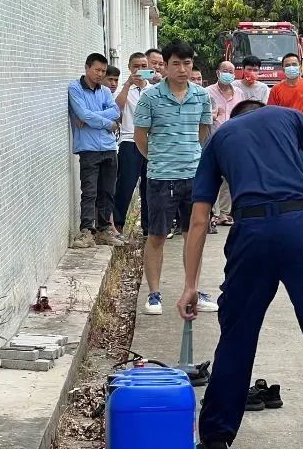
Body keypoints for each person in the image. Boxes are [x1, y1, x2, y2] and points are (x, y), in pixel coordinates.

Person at [180, 100, 303, 449]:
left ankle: (216, 440)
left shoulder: (220, 138)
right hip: (300, 228)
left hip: (250, 233)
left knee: (237, 337)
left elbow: (199, 219)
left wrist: (190, 284)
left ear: (236, 118)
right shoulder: (290, 117)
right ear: (261, 109)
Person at [133, 41, 215, 315]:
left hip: (194, 176)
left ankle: (192, 287)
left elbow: (203, 133)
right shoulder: (150, 97)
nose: (182, 69)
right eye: (176, 64)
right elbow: (140, 138)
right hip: (160, 177)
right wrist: (159, 159)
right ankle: (154, 294)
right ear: (165, 66)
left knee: (194, 235)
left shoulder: (202, 96)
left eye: (187, 63)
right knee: (157, 235)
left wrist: (189, 157)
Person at [69, 53, 122, 248]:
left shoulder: (105, 91)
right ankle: (86, 231)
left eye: (103, 71)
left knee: (107, 191)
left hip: (109, 147)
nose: (100, 74)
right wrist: (108, 123)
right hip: (88, 148)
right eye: (97, 70)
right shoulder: (75, 88)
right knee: (89, 191)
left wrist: (92, 118)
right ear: (87, 68)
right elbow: (82, 113)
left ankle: (104, 230)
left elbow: (115, 111)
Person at [268, 53, 303, 190]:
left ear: (300, 66)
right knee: (285, 172)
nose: (291, 67)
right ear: (282, 69)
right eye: (287, 65)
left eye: (294, 64)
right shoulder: (276, 89)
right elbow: (270, 114)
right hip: (285, 137)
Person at [113, 52, 153, 236]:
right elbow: (116, 110)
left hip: (151, 142)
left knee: (149, 185)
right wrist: (128, 84)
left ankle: (148, 226)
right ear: (130, 68)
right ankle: (118, 223)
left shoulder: (154, 90)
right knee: (126, 184)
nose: (140, 69)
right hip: (129, 141)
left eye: (144, 66)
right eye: (136, 66)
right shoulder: (124, 90)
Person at [207, 61, 244, 229]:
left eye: (231, 70)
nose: (228, 73)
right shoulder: (207, 92)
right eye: (225, 70)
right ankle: (213, 214)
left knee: (229, 178)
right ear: (217, 72)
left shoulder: (240, 93)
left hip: (234, 140)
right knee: (213, 177)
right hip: (213, 139)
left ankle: (224, 213)